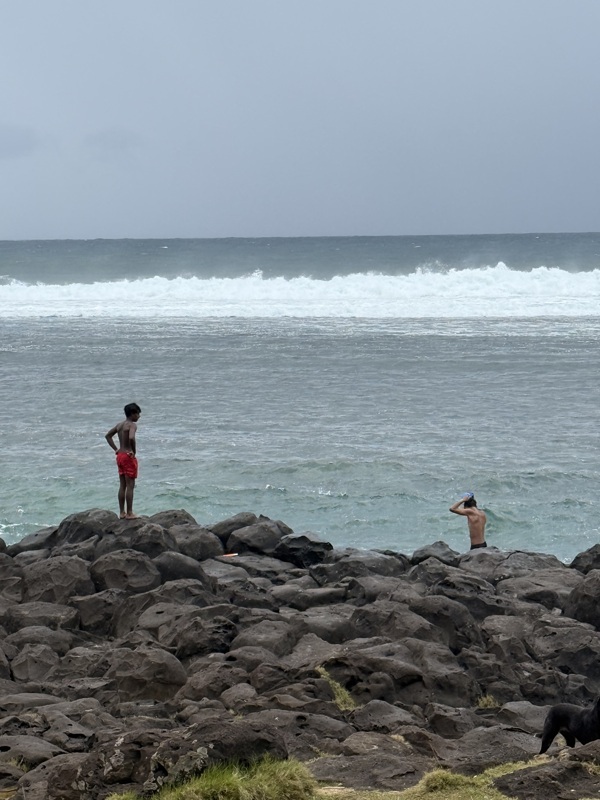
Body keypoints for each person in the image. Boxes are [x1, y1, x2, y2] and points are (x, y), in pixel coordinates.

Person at [105, 403, 141, 519]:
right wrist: (133, 451)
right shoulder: (132, 425)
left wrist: (116, 449)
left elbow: (108, 436)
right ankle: (130, 513)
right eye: (138, 413)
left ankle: (122, 512)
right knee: (130, 485)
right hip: (128, 455)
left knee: (122, 485)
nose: (139, 416)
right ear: (133, 414)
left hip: (120, 455)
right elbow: (131, 437)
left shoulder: (120, 425)